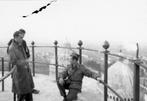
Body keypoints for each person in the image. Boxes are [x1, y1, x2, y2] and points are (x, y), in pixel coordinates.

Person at [7, 29, 39, 94]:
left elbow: (26, 50)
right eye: (21, 36)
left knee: (27, 84)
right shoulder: (12, 46)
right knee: (20, 87)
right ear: (16, 36)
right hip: (19, 67)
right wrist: (24, 61)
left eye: (23, 36)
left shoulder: (22, 43)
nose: (22, 38)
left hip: (24, 66)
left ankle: (30, 90)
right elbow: (13, 60)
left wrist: (26, 58)